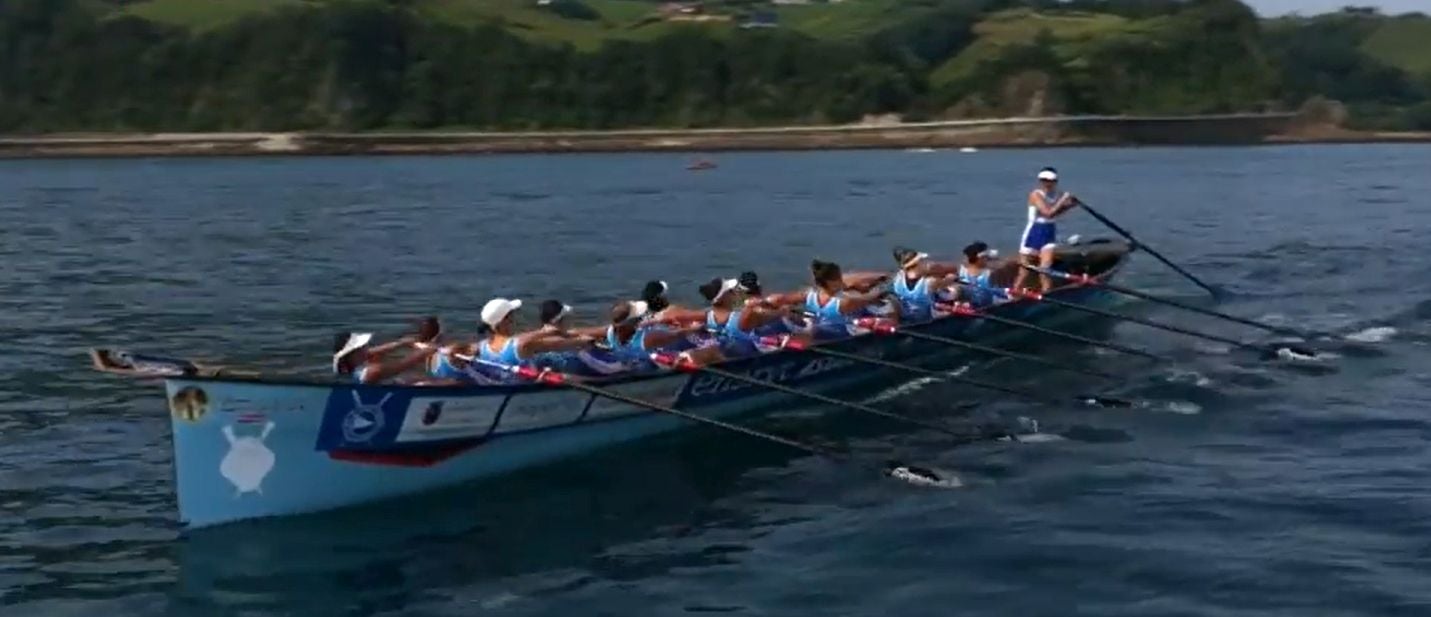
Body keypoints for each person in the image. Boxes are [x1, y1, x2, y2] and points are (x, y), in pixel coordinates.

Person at [474, 298, 600, 370]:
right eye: (513, 315)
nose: (515, 318)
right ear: (506, 320)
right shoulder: (521, 345)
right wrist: (583, 341)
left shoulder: (481, 347)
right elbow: (557, 344)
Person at [1012, 167, 1079, 292]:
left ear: (1055, 181)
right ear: (1040, 181)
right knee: (1024, 272)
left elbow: (1055, 214)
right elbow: (1047, 213)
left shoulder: (1056, 195)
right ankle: (1013, 293)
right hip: (1033, 232)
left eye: (1050, 181)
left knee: (1045, 270)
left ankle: (1046, 294)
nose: (1047, 183)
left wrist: (1069, 206)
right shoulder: (1035, 195)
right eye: (1044, 180)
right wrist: (1063, 200)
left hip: (1049, 232)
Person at [607, 300, 721, 368]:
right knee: (711, 349)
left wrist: (657, 320)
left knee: (672, 310)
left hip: (637, 362)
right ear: (632, 321)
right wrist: (697, 328)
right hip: (656, 366)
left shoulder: (611, 332)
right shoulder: (649, 338)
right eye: (639, 317)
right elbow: (676, 334)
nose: (641, 318)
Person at [804, 259, 894, 338]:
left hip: (820, 325)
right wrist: (881, 293)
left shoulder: (811, 293)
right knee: (887, 307)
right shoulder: (847, 302)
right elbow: (869, 300)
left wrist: (856, 287)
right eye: (839, 277)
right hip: (839, 331)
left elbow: (848, 287)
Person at [333, 330, 438, 385]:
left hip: (389, 385)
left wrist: (401, 343)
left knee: (413, 379)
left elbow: (372, 352)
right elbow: (404, 364)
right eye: (362, 347)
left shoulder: (355, 367)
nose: (366, 347)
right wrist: (428, 351)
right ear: (352, 355)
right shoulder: (373, 371)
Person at [889, 246, 960, 322]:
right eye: (921, 261)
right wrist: (952, 277)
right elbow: (949, 280)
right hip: (926, 317)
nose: (924, 263)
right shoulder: (930, 282)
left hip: (908, 316)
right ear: (917, 263)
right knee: (957, 289)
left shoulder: (897, 279)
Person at [958, 241, 1008, 308]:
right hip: (973, 307)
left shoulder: (962, 270)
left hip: (984, 306)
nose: (987, 260)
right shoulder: (989, 274)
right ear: (979, 259)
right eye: (985, 258)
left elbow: (999, 291)